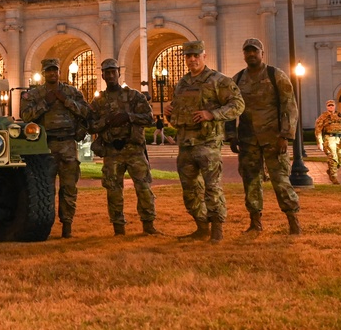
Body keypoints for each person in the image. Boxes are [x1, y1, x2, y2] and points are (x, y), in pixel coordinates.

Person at [165, 40, 244, 243]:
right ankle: (201, 227)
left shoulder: (218, 80)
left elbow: (238, 104)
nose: (192, 59)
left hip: (208, 143)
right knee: (190, 190)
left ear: (204, 56)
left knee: (212, 188)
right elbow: (178, 112)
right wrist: (169, 113)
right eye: (188, 56)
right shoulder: (182, 83)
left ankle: (217, 229)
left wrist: (212, 114)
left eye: (196, 55)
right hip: (186, 144)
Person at [226, 38, 301, 235]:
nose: (251, 54)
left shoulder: (276, 75)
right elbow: (230, 107)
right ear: (244, 55)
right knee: (251, 181)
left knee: (281, 180)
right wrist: (232, 135)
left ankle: (293, 221)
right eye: (247, 51)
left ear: (262, 53)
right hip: (248, 140)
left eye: (255, 51)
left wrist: (285, 135)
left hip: (273, 138)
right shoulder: (238, 79)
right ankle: (255, 222)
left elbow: (289, 106)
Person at [20, 57, 91, 239]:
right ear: (44, 73)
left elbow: (86, 113)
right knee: (46, 189)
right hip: (46, 146)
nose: (52, 73)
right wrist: (46, 103)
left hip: (68, 144)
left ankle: (67, 225)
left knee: (69, 188)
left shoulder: (71, 92)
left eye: (55, 70)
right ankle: (45, 225)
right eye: (49, 70)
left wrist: (66, 101)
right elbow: (25, 116)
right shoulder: (35, 94)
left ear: (60, 72)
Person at [89, 58, 157, 236]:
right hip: (112, 151)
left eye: (113, 72)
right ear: (102, 75)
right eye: (107, 72)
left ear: (119, 73)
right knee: (113, 191)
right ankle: (118, 228)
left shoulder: (134, 96)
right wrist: (107, 121)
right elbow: (91, 125)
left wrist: (128, 116)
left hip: (134, 149)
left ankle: (148, 225)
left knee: (144, 188)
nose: (111, 75)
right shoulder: (98, 102)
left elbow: (149, 118)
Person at [315, 99, 341, 184]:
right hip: (329, 138)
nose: (331, 107)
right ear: (326, 106)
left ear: (335, 106)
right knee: (333, 158)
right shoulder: (323, 117)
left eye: (332, 105)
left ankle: (331, 170)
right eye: (329, 105)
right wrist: (320, 142)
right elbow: (318, 130)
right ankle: (334, 177)